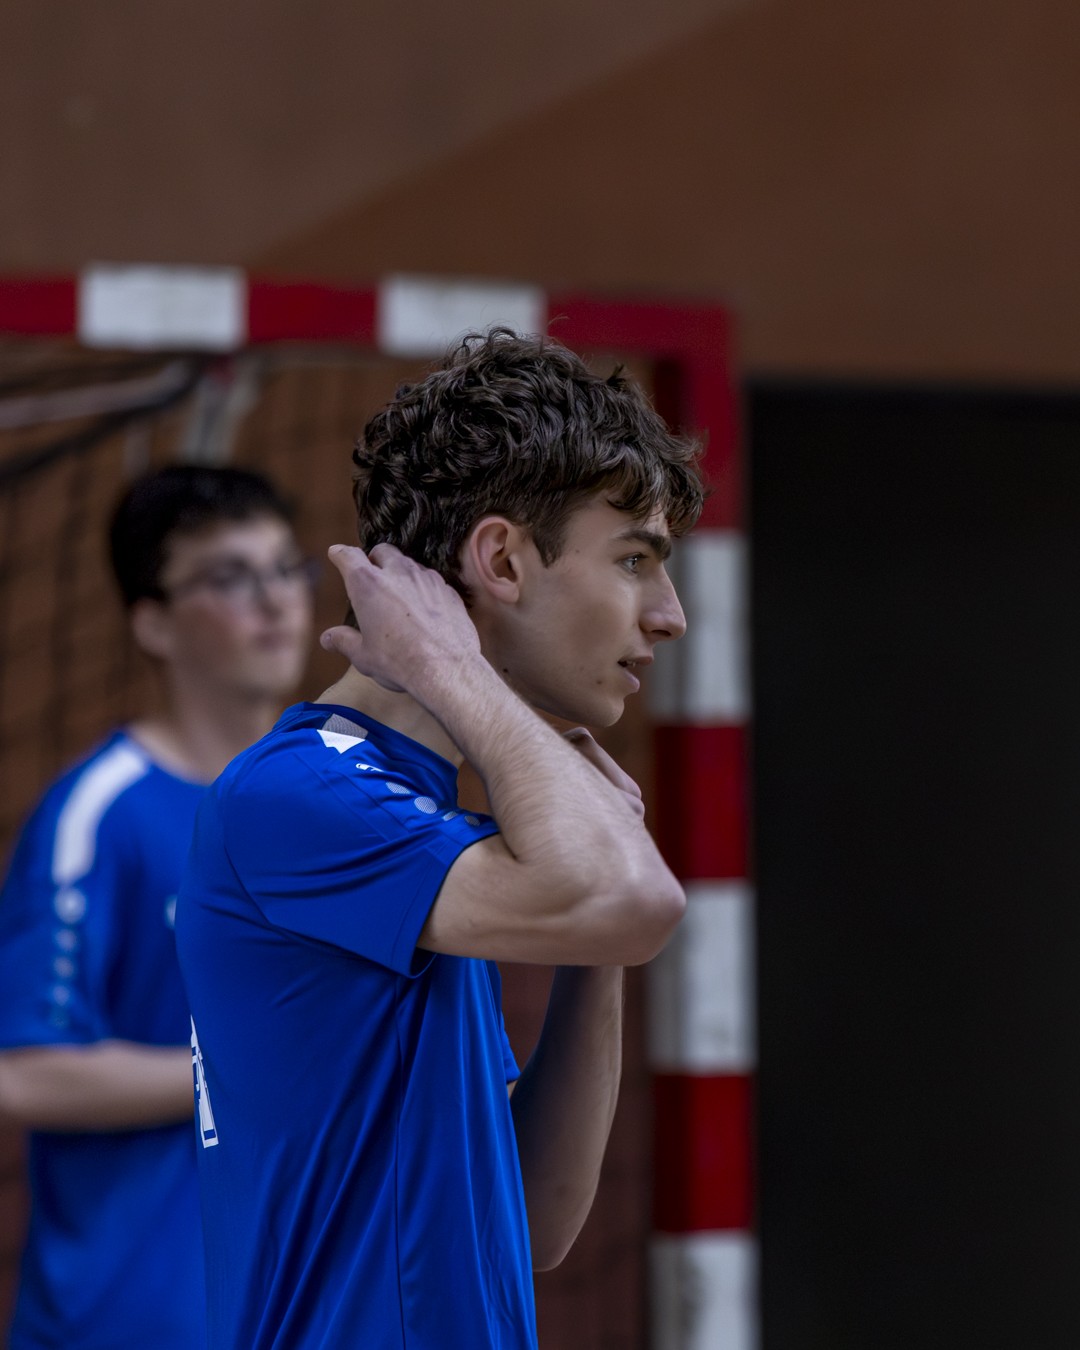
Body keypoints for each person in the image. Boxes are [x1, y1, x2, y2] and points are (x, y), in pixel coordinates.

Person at [176, 329, 705, 1349]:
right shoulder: (302, 792)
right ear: (500, 559)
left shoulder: (425, 811)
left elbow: (538, 1219)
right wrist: (452, 670)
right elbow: (634, 903)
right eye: (635, 560)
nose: (669, 615)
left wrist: (592, 935)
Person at [0, 464, 315, 1349]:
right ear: (153, 623)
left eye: (286, 568)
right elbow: (24, 1071)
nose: (275, 601)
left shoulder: (340, 803)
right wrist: (245, 1068)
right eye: (230, 577)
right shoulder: (103, 813)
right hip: (125, 1323)